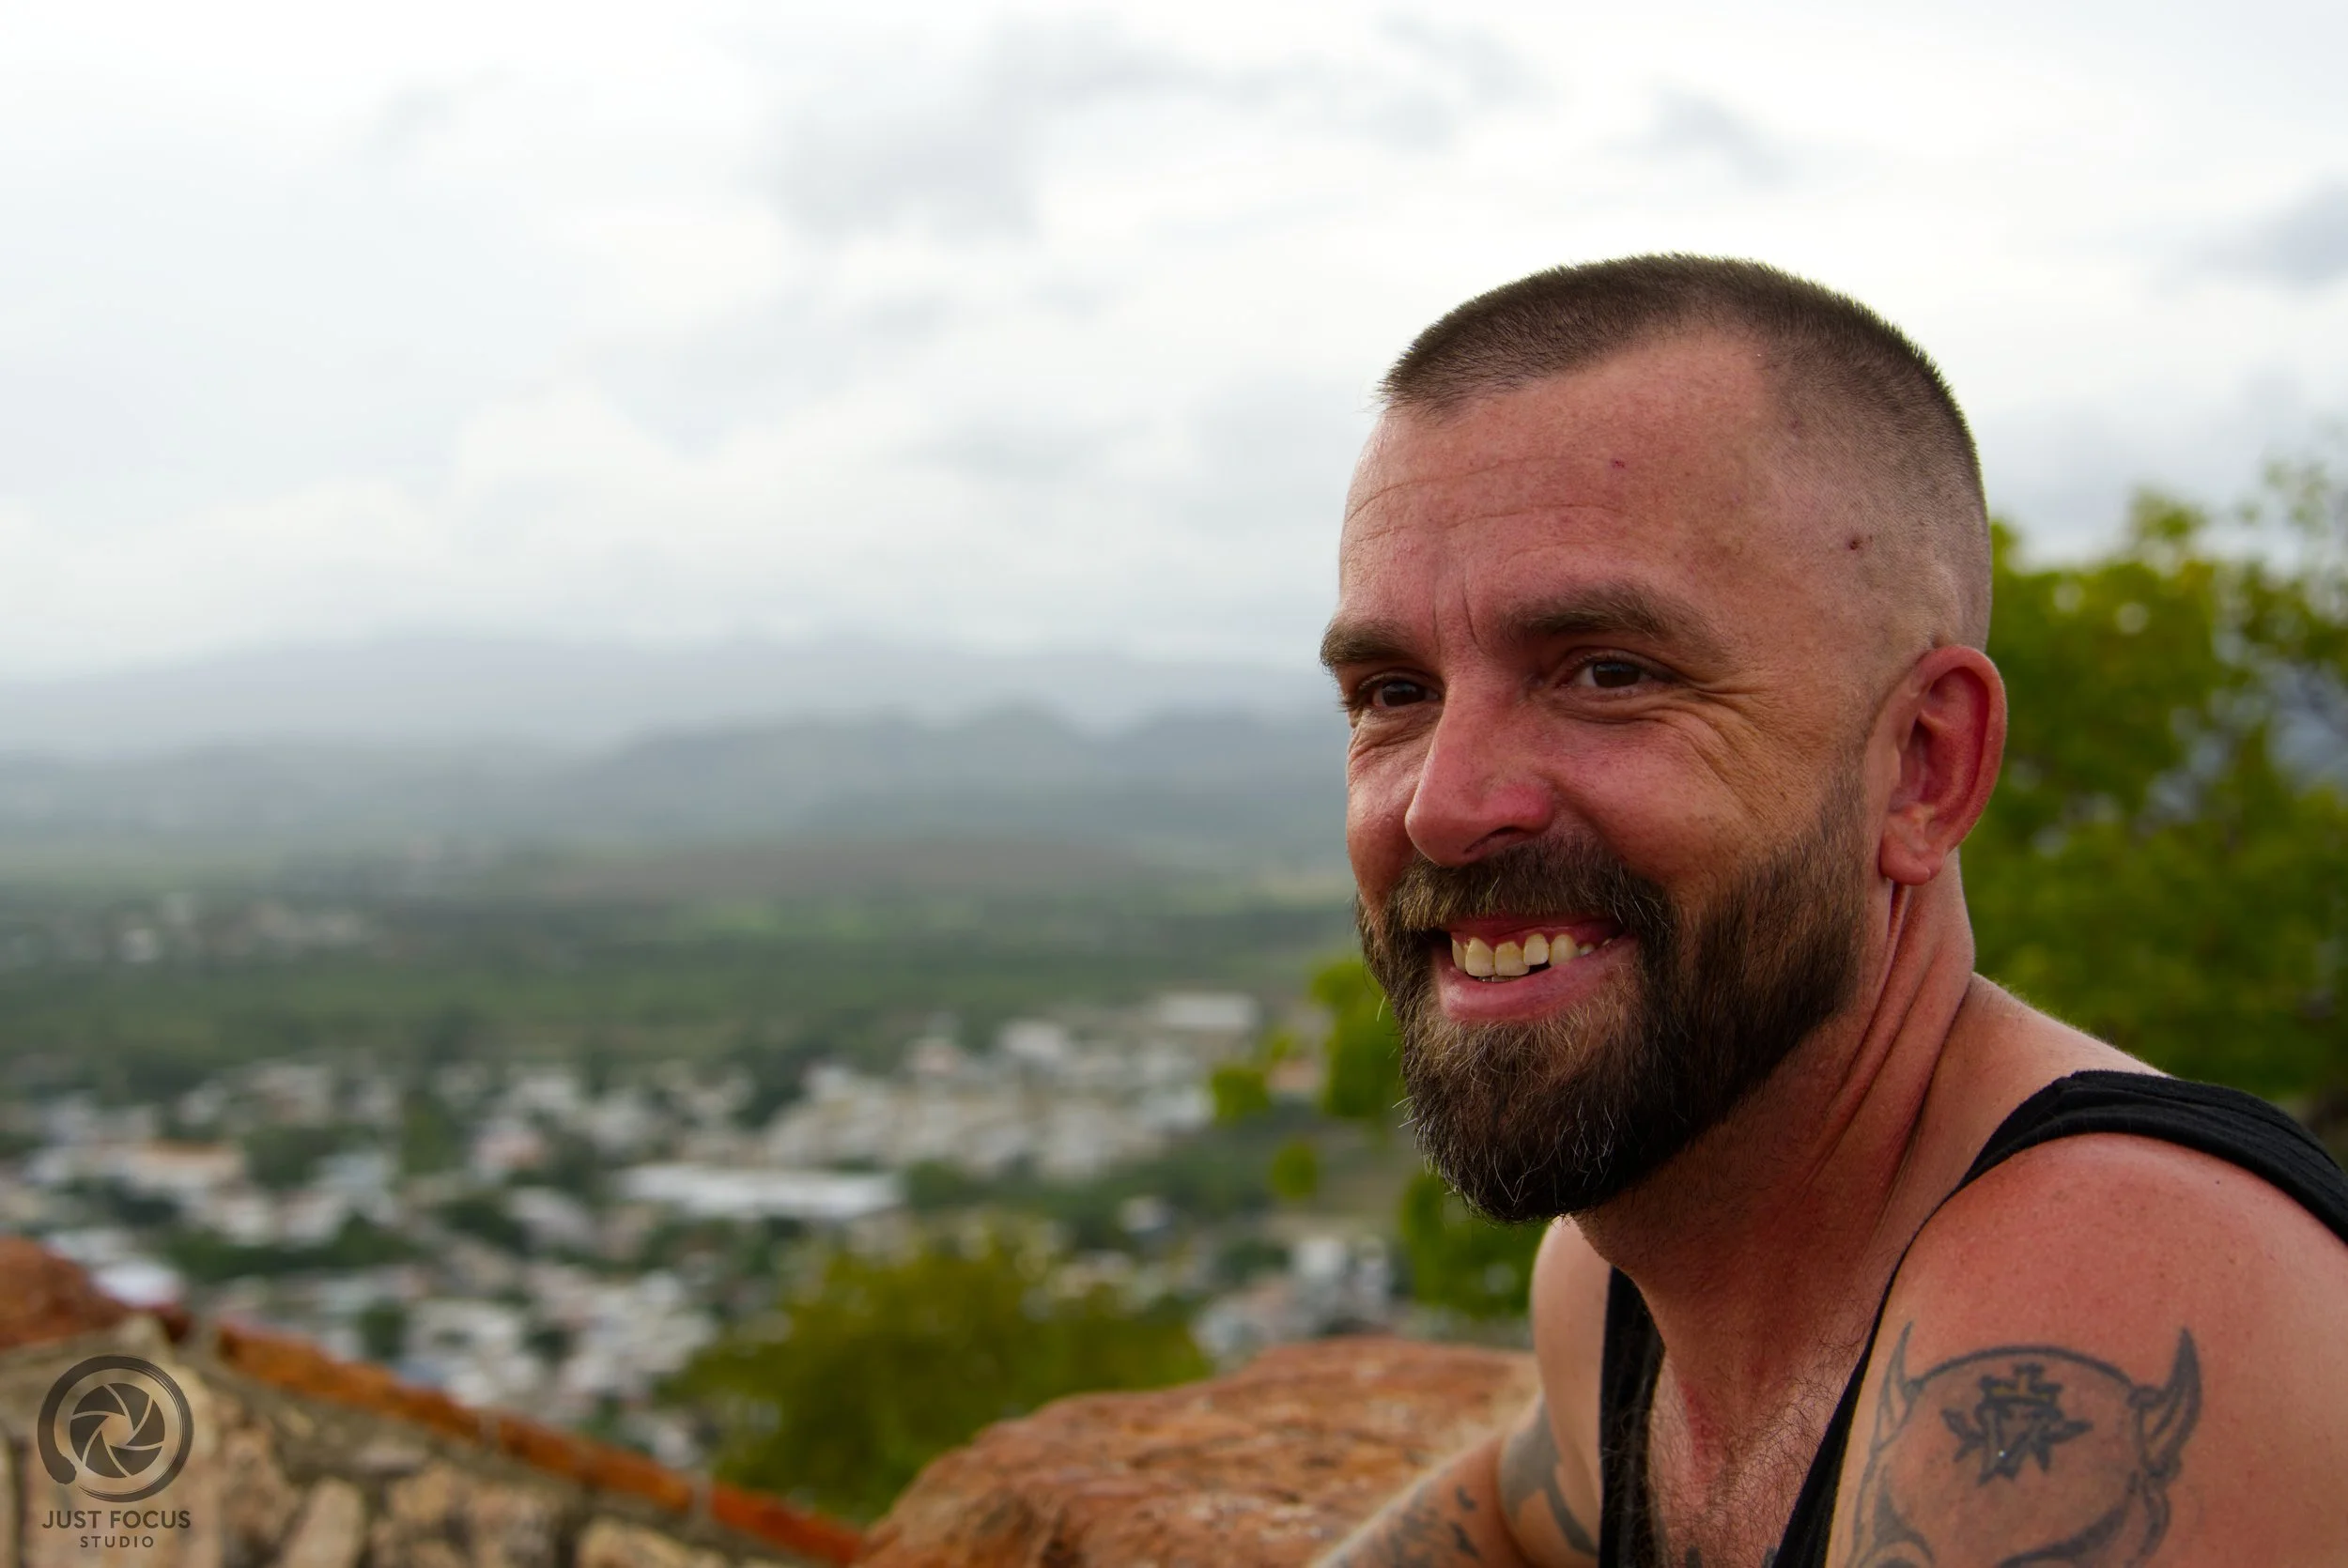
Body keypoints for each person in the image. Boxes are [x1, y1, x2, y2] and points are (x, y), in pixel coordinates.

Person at [1313, 256, 2348, 1568]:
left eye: (1610, 671)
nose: (1443, 807)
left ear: (1923, 766)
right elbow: (1524, 1508)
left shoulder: (2110, 1291)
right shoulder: (1628, 1275)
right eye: (1393, 691)